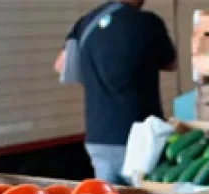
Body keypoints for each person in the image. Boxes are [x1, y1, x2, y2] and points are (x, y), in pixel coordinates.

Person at [57, 0, 176, 184]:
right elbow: (171, 62)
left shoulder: (85, 23)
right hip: (141, 136)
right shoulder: (148, 22)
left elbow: (62, 66)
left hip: (98, 136)